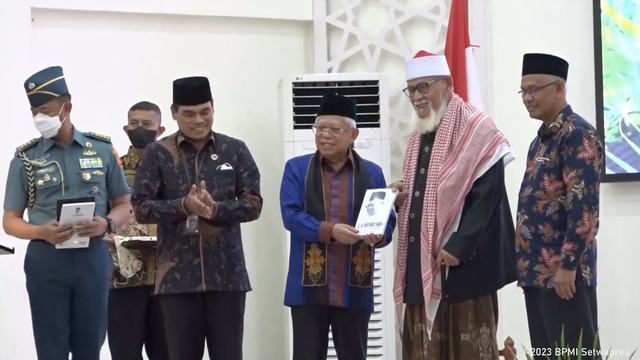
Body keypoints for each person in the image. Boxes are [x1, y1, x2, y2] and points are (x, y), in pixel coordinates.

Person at [390, 51, 517, 360]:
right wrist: (401, 195)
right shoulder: (420, 135)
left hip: (465, 264)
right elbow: (430, 191)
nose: (417, 97)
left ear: (447, 85)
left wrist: (458, 246)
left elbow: (488, 197)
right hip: (424, 261)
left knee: (467, 346)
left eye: (424, 87)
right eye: (411, 89)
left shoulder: (477, 129)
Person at [2, 65, 132, 360]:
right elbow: (10, 221)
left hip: (92, 258)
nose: (39, 119)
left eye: (46, 110)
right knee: (51, 348)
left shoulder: (100, 150)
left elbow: (125, 203)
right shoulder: (25, 158)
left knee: (90, 347)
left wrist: (107, 223)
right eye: (34, 112)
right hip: (46, 261)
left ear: (67, 106)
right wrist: (40, 232)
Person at [131, 76, 263, 360]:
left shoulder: (235, 150)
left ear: (213, 107)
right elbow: (141, 208)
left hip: (227, 277)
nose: (198, 120)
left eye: (205, 111)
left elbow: (253, 204)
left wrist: (217, 209)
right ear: (174, 112)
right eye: (189, 114)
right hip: (177, 281)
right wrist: (183, 205)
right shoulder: (157, 153)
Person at [280, 93, 396, 360]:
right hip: (307, 290)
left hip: (353, 287)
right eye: (319, 128)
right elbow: (291, 216)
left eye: (334, 129)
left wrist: (378, 236)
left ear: (353, 134)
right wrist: (331, 231)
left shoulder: (373, 172)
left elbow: (386, 220)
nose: (325, 135)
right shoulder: (296, 169)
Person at [517, 53, 603, 359]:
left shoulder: (576, 134)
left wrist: (567, 267)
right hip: (536, 274)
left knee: (574, 355)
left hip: (564, 277)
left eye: (535, 89)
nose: (527, 98)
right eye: (523, 91)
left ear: (559, 88)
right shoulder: (541, 139)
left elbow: (584, 208)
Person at [106, 101, 168, 360]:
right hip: (123, 275)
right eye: (134, 124)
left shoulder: (173, 167)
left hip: (166, 278)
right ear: (125, 127)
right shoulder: (112, 166)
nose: (139, 129)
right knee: (124, 352)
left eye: (146, 124)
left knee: (167, 352)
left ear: (160, 129)